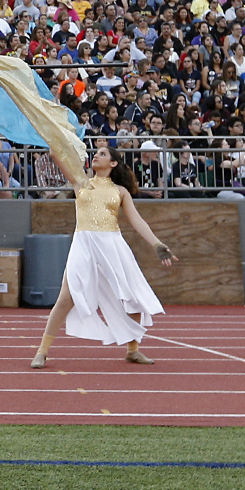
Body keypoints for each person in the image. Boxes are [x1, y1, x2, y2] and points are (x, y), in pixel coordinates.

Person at [31, 142, 175, 369]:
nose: (96, 156)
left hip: (113, 244)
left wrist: (157, 244)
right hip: (84, 243)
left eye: (102, 154)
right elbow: (55, 153)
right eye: (96, 153)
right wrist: (54, 132)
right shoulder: (81, 183)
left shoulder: (120, 191)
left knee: (133, 296)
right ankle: (42, 351)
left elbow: (136, 220)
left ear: (113, 163)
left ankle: (133, 350)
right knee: (66, 298)